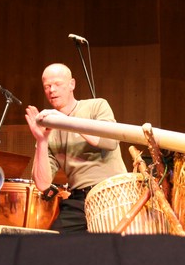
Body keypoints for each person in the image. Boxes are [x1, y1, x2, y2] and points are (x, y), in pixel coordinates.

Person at [25, 63, 127, 233]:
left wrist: (65, 121)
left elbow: (110, 142)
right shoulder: (48, 128)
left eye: (57, 84)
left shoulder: (97, 106)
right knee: (54, 247)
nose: (52, 90)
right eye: (47, 86)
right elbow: (43, 184)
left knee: (108, 249)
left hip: (112, 193)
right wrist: (41, 141)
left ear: (72, 84)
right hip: (79, 199)